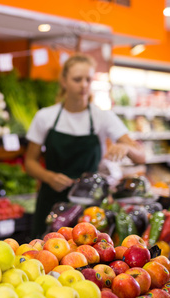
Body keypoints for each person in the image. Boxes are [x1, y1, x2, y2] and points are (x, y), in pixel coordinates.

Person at [24, 53, 145, 239]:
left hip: (90, 207)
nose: (84, 85)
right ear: (63, 81)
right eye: (77, 79)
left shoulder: (102, 117)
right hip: (51, 201)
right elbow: (30, 162)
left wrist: (127, 148)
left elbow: (141, 156)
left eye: (88, 79)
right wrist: (48, 176)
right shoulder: (45, 117)